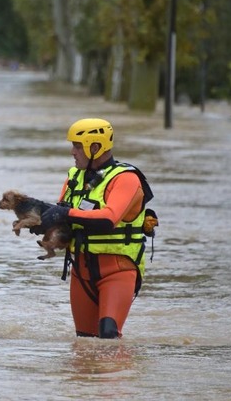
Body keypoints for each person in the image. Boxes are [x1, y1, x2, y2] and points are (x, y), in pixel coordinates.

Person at [35, 118, 157, 339]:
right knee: (84, 343)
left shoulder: (126, 178)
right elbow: (64, 215)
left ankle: (119, 374)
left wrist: (65, 213)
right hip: (81, 271)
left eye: (78, 146)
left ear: (95, 146)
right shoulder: (74, 176)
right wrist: (43, 223)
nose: (72, 151)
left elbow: (109, 219)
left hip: (118, 270)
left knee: (108, 336)